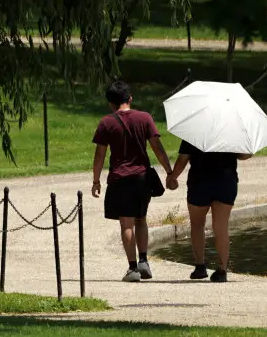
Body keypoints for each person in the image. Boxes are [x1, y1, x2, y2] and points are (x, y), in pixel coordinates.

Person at [91, 80, 174, 282]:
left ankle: (132, 268)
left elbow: (99, 155)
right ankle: (144, 260)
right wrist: (169, 172)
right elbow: (157, 147)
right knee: (141, 219)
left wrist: (96, 180)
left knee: (126, 224)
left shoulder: (106, 123)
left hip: (120, 178)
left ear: (110, 103)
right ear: (130, 99)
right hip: (141, 177)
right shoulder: (144, 118)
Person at [166, 140, 252, 283]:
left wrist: (172, 177)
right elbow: (245, 155)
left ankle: (200, 266)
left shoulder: (194, 128)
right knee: (221, 228)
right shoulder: (231, 129)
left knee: (197, 224)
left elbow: (183, 159)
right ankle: (222, 269)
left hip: (200, 181)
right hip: (226, 181)